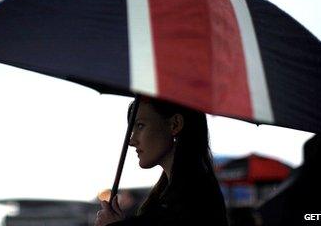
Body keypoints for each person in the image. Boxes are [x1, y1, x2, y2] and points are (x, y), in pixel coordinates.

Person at [94, 96, 229, 226]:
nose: (131, 141)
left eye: (140, 126)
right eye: (132, 128)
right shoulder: (181, 191)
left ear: (175, 124)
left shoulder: (193, 198)